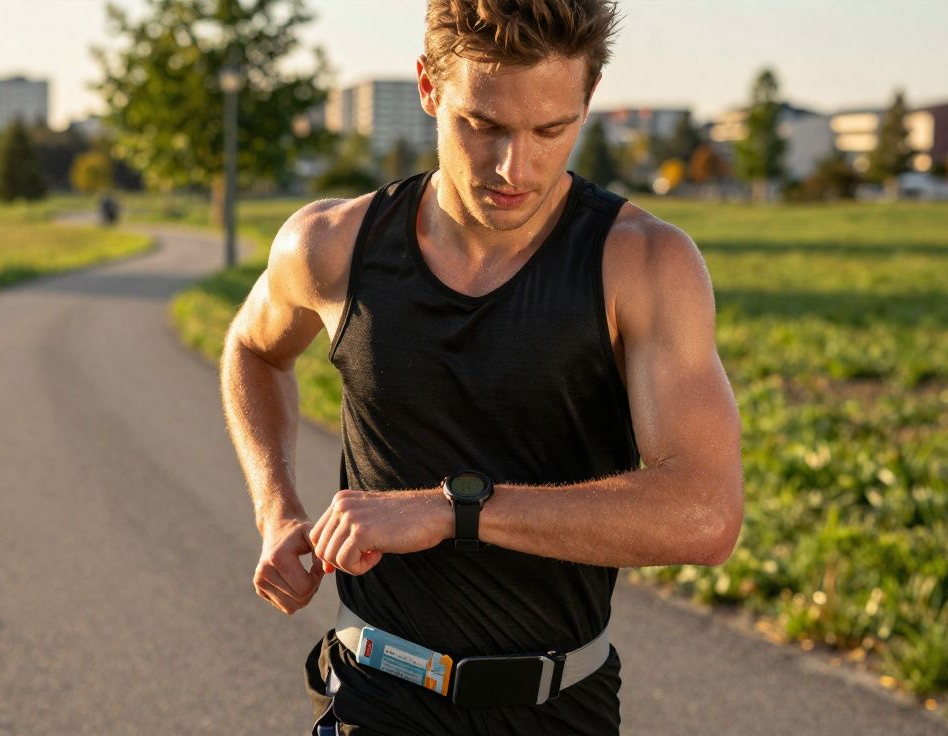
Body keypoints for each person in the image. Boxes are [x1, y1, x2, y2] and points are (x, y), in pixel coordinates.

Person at [218, 1, 743, 733]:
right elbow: (253, 348)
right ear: (430, 88)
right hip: (375, 696)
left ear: (586, 104)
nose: (512, 167)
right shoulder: (330, 245)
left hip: (560, 705)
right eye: (484, 125)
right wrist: (277, 510)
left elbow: (706, 514)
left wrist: (450, 511)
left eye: (550, 131)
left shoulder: (644, 265)